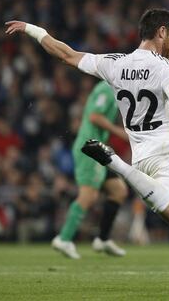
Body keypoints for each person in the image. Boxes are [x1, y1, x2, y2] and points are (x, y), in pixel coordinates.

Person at [5, 8, 169, 291]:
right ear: (161, 32)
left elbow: (66, 55)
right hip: (167, 153)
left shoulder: (116, 63)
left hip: (143, 158)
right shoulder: (168, 69)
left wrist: (32, 29)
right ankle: (116, 163)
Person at [52, 81, 129, 259]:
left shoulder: (113, 89)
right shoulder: (106, 89)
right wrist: (119, 132)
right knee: (89, 195)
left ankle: (102, 239)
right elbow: (95, 116)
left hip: (97, 146)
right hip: (89, 148)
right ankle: (63, 238)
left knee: (118, 191)